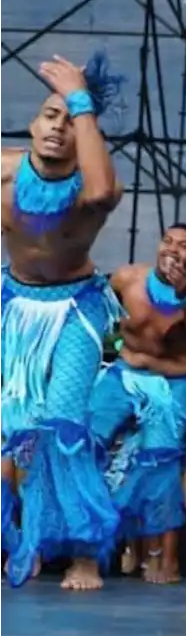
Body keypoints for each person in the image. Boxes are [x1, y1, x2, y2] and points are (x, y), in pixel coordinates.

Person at [0, 53, 125, 590]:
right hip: (16, 304)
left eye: (70, 121)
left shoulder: (92, 186)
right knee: (15, 429)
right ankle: (22, 538)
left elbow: (102, 192)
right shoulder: (2, 171)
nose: (58, 126)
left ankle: (85, 553)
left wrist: (80, 98)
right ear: (32, 124)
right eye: (50, 114)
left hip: (77, 305)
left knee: (65, 424)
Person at [87, 224, 186, 587]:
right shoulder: (128, 277)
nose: (174, 250)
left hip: (174, 383)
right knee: (83, 443)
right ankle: (79, 548)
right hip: (125, 374)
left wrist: (183, 296)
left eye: (185, 246)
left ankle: (163, 558)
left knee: (160, 463)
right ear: (159, 245)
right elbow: (90, 300)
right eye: (169, 242)